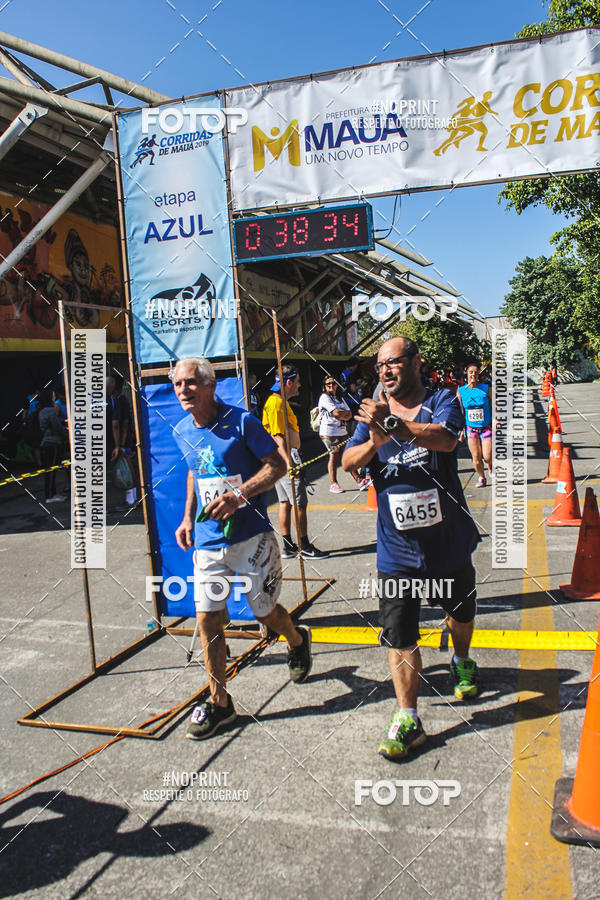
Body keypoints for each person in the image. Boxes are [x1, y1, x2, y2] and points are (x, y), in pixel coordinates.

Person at [342, 337, 480, 761]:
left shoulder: (441, 400)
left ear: (416, 362)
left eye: (394, 362)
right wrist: (376, 440)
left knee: (461, 614)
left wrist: (395, 426)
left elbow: (446, 439)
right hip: (397, 551)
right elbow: (349, 462)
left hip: (447, 542)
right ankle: (408, 717)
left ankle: (460, 659)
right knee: (400, 634)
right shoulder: (371, 413)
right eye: (380, 366)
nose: (385, 370)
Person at [172, 357, 313, 740]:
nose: (183, 390)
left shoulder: (242, 422)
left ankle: (296, 639)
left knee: (264, 613)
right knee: (207, 620)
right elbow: (195, 471)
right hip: (208, 542)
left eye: (191, 382)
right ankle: (221, 703)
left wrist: (240, 495)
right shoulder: (182, 430)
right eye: (178, 384)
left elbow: (277, 466)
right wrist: (188, 518)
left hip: (252, 539)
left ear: (210, 385)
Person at [262, 365, 326, 559]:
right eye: (297, 382)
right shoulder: (276, 404)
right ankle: (304, 546)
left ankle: (289, 546)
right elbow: (278, 437)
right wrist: (289, 463)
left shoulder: (280, 402)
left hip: (282, 459)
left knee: (285, 502)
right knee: (299, 503)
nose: (299, 385)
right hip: (285, 459)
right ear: (288, 382)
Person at [318, 376, 366, 492]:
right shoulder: (324, 397)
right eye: (328, 384)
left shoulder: (339, 398)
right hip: (329, 432)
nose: (331, 385)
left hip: (341, 430)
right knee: (334, 456)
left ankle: (359, 480)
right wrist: (342, 414)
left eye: (333, 383)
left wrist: (342, 414)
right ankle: (333, 484)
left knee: (347, 454)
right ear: (324, 386)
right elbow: (336, 413)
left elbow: (349, 414)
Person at [457, 362, 493, 488]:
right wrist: (461, 430)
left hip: (486, 427)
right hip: (471, 429)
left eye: (476, 373)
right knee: (476, 457)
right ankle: (482, 477)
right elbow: (459, 412)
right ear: (466, 374)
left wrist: (496, 419)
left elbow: (496, 402)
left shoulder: (486, 388)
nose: (473, 374)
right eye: (471, 372)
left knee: (487, 456)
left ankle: (490, 465)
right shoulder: (461, 391)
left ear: (478, 375)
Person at [38, 389, 68, 504]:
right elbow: (57, 427)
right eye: (53, 396)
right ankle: (50, 495)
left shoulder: (41, 410)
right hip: (53, 442)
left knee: (49, 469)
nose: (54, 398)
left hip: (45, 442)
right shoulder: (50, 411)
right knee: (52, 469)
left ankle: (52, 493)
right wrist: (66, 434)